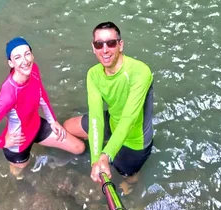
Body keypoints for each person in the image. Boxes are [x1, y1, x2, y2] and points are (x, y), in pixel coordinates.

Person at [0, 36, 85, 178]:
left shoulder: (33, 69)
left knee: (79, 148)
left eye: (27, 54)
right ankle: (17, 177)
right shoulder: (8, 95)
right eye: (18, 57)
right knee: (20, 172)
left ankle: (50, 161)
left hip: (37, 126)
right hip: (18, 144)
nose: (25, 61)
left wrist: (53, 121)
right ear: (11, 63)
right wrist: (3, 142)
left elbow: (41, 95)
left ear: (32, 55)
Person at [64, 22, 154, 185]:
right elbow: (96, 118)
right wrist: (95, 160)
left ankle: (129, 182)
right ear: (93, 47)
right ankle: (106, 146)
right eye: (99, 44)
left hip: (134, 139)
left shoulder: (140, 72)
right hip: (112, 121)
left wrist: (106, 155)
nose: (104, 50)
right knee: (68, 126)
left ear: (120, 45)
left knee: (127, 178)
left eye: (111, 43)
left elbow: (128, 119)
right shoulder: (93, 74)